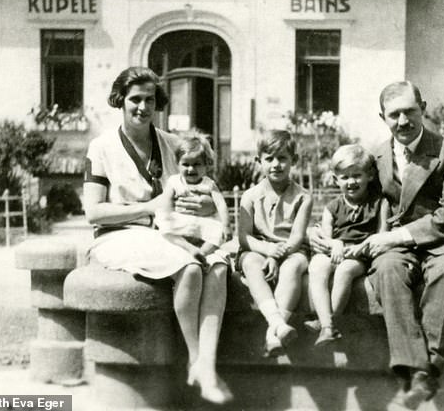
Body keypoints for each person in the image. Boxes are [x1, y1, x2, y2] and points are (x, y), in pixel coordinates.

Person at [311, 81, 444, 410]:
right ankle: (410, 369)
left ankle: (429, 369)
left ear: (424, 109)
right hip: (396, 247)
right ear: (382, 117)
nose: (403, 121)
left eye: (409, 112)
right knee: (386, 268)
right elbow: (353, 202)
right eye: (394, 115)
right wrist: (321, 232)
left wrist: (391, 236)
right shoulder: (376, 155)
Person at [82, 66, 233, 405]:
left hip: (169, 233)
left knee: (219, 264)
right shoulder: (101, 146)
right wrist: (149, 207)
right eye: (135, 99)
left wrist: (205, 204)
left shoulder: (171, 144)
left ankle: (206, 363)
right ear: (120, 101)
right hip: (118, 235)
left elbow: (198, 191)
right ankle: (196, 359)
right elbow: (93, 212)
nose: (142, 107)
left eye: (150, 99)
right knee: (191, 267)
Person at [237, 129, 313, 357]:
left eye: (282, 158)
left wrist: (278, 255)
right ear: (259, 161)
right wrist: (268, 251)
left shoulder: (303, 197)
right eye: (269, 159)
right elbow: (244, 237)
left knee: (294, 267)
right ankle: (278, 323)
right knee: (251, 263)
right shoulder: (250, 196)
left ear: (294, 161)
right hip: (259, 247)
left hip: (291, 249)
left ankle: (272, 334)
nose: (276, 164)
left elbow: (298, 237)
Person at [305, 144, 387, 346]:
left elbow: (382, 234)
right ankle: (326, 322)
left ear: (369, 176)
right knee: (317, 266)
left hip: (361, 254)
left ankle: (328, 325)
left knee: (344, 271)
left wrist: (359, 248)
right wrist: (336, 243)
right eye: (344, 177)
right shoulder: (332, 207)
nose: (351, 182)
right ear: (335, 179)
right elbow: (325, 237)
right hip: (335, 251)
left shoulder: (379, 203)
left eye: (357, 175)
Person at [154, 131, 231, 272]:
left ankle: (202, 253)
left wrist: (226, 225)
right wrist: (167, 214)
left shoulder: (209, 184)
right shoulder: (174, 181)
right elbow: (165, 200)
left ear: (206, 165)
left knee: (218, 232)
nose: (191, 169)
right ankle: (189, 248)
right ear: (177, 164)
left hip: (202, 224)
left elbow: (220, 204)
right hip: (181, 221)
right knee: (164, 228)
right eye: (186, 164)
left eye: (197, 164)